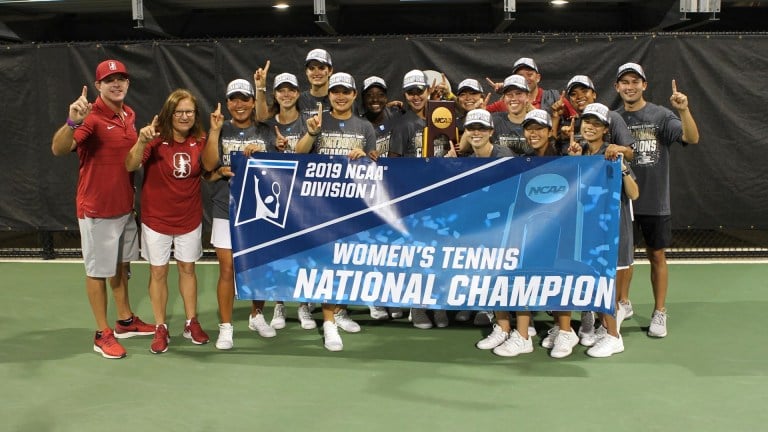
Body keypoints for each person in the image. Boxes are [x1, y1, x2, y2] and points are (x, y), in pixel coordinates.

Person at [51, 59, 155, 359]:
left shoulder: (129, 115)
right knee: (97, 272)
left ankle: (124, 320)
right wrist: (72, 121)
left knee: (121, 266)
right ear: (98, 86)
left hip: (124, 207)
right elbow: (58, 149)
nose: (116, 84)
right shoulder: (91, 118)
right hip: (97, 210)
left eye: (121, 78)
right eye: (109, 80)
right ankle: (102, 333)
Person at [614, 62, 700, 338]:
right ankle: (622, 304)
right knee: (622, 261)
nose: (630, 86)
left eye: (635, 81)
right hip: (621, 203)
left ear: (644, 85)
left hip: (654, 202)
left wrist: (683, 109)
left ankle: (659, 312)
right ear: (617, 87)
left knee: (657, 256)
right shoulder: (612, 118)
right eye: (624, 82)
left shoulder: (661, 115)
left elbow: (691, 138)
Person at [125, 89, 210, 354]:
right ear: (169, 113)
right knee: (158, 272)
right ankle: (161, 327)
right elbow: (130, 165)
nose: (184, 116)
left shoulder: (201, 140)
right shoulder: (154, 138)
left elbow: (210, 169)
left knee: (188, 269)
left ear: (195, 115)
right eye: (179, 112)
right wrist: (140, 141)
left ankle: (190, 322)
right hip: (156, 220)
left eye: (189, 112)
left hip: (189, 219)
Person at [296, 72, 375, 351]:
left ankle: (339, 311)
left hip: (353, 205)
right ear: (328, 95)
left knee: (346, 262)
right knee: (327, 262)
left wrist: (364, 157)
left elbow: (375, 167)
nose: (340, 96)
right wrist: (312, 133)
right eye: (335, 92)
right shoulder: (318, 121)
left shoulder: (365, 128)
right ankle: (328, 322)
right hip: (321, 205)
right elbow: (299, 154)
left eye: (346, 91)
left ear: (354, 95)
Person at [202, 79, 284, 350]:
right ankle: (226, 328)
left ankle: (256, 315)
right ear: (227, 104)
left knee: (257, 264)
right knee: (228, 269)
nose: (239, 105)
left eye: (244, 99)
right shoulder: (220, 129)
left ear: (252, 101)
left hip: (259, 208)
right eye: (233, 100)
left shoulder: (267, 132)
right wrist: (214, 134)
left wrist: (263, 153)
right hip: (226, 207)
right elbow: (209, 166)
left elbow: (279, 168)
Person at [472, 109, 554, 357]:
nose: (476, 132)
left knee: (520, 277)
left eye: (481, 128)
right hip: (503, 225)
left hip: (529, 226)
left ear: (491, 132)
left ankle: (523, 334)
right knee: (497, 274)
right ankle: (504, 328)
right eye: (471, 128)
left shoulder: (506, 156)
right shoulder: (473, 159)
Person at [566, 103, 640, 357]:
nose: (589, 127)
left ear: (606, 129)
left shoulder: (613, 154)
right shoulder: (579, 152)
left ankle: (613, 336)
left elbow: (634, 193)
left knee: (605, 285)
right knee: (591, 282)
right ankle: (601, 328)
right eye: (587, 122)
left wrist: (621, 168)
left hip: (612, 228)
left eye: (596, 123)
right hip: (587, 228)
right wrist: (575, 163)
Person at [359, 75, 405, 320]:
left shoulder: (397, 116)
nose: (375, 99)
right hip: (367, 193)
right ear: (363, 98)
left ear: (387, 98)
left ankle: (393, 296)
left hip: (394, 191)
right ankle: (374, 299)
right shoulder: (358, 123)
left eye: (380, 94)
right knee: (371, 248)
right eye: (369, 95)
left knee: (393, 248)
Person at [486, 57, 560, 115]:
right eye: (520, 76)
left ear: (538, 77)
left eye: (529, 74)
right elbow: (480, 114)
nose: (525, 79)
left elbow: (571, 115)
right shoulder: (506, 102)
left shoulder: (553, 97)